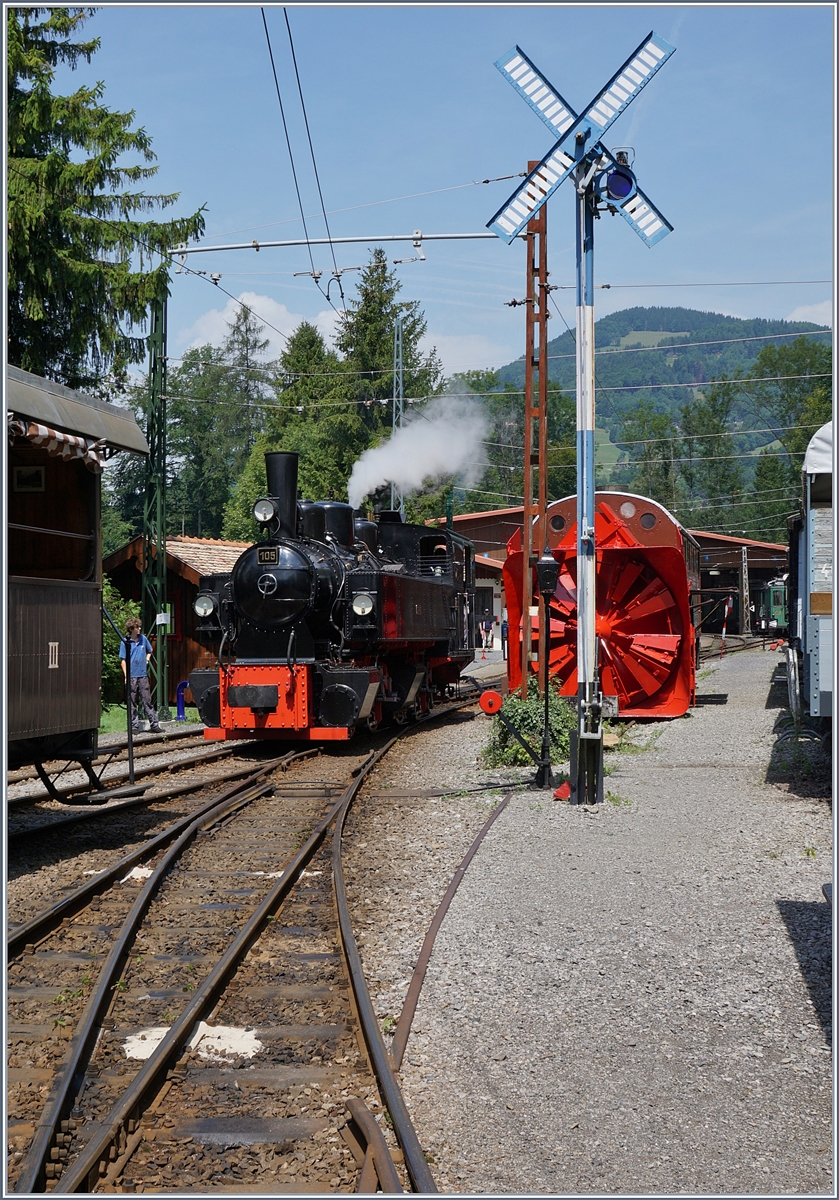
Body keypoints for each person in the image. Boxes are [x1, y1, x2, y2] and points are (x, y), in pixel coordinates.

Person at [119, 618, 162, 732]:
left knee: (147, 700)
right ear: (131, 629)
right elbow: (123, 660)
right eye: (137, 627)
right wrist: (126, 676)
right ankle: (134, 725)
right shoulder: (125, 642)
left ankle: (154, 724)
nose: (139, 629)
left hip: (142, 675)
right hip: (131, 676)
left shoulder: (143, 639)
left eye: (139, 626)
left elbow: (150, 650)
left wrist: (147, 660)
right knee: (132, 701)